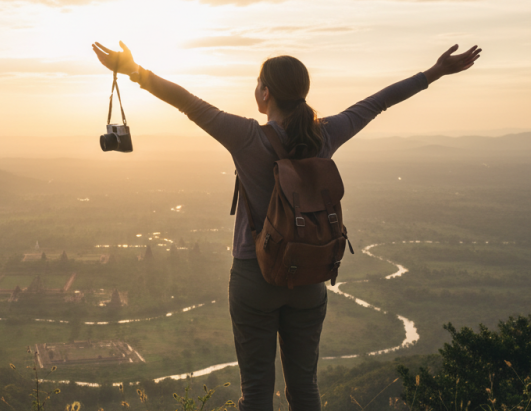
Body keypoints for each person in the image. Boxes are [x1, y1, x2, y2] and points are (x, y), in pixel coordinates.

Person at [92, 41, 481, 411]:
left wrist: (133, 71)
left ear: (265, 94)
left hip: (254, 274)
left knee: (257, 391)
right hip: (309, 277)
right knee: (305, 386)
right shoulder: (325, 133)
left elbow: (187, 103)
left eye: (258, 85)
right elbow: (377, 102)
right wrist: (435, 72)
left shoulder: (246, 137)